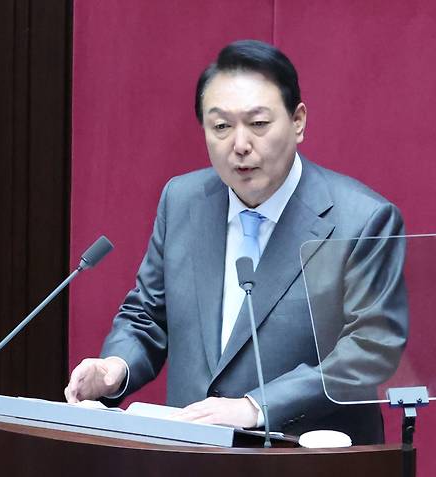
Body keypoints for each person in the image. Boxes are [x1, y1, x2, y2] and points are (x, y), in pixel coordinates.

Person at [65, 40, 407, 445]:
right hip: (190, 456)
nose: (240, 145)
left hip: (306, 460)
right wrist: (115, 368)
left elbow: (371, 347)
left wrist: (255, 406)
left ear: (298, 121)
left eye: (259, 124)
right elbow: (148, 315)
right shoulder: (183, 200)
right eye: (221, 126)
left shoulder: (361, 218)